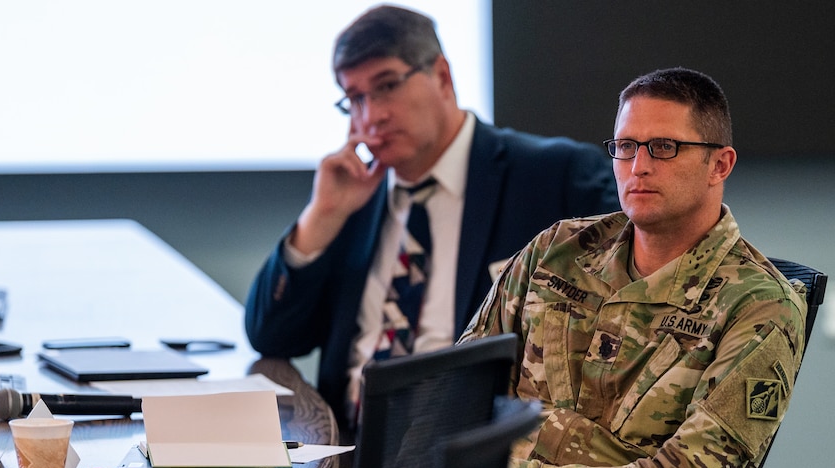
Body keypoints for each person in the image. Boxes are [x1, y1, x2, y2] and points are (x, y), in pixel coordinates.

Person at [226, 67, 807, 468]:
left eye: (664, 148)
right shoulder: (557, 251)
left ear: (720, 164)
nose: (639, 166)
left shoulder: (758, 305)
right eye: (626, 147)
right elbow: (449, 400)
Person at [243, 4, 618, 437]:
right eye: (355, 98)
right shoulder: (351, 199)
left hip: (472, 464)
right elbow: (271, 336)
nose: (371, 117)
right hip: (347, 457)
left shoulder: (554, 178)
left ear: (442, 76)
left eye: (385, 87)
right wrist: (321, 217)